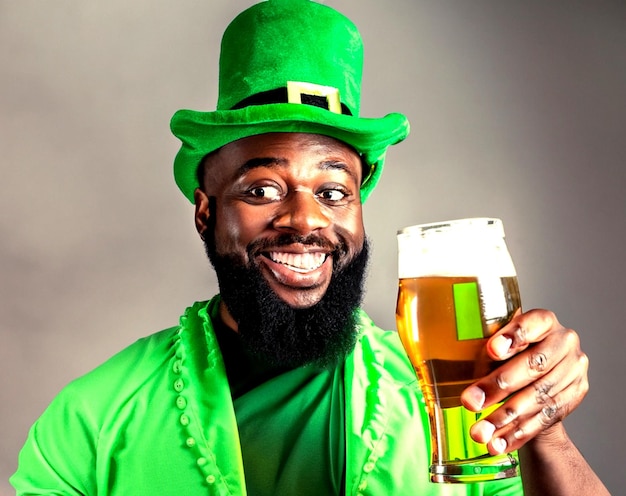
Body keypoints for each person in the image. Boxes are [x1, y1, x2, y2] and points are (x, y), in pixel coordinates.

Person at [11, 1, 609, 495]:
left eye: (333, 190)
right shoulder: (93, 419)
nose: (305, 219)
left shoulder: (456, 402)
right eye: (263, 188)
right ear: (205, 212)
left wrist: (545, 436)